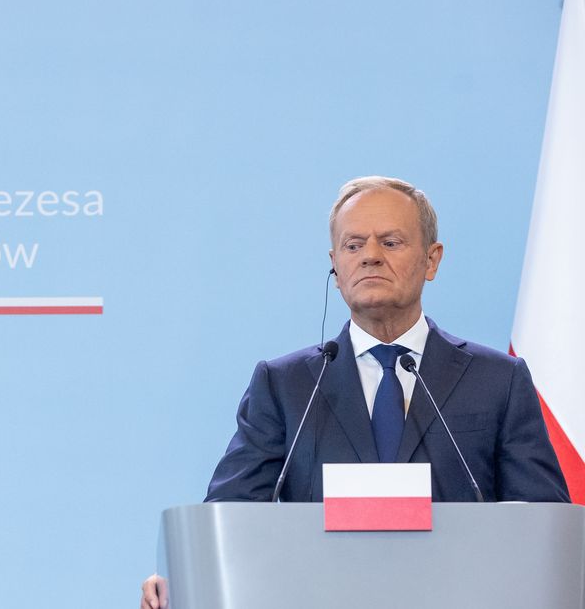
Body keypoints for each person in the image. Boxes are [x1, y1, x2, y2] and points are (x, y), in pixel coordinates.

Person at [140, 176, 568, 609]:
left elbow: (545, 529)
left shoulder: (497, 380)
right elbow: (229, 517)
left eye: (391, 242)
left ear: (432, 259)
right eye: (353, 245)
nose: (370, 256)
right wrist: (183, 578)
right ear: (335, 267)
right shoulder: (286, 385)